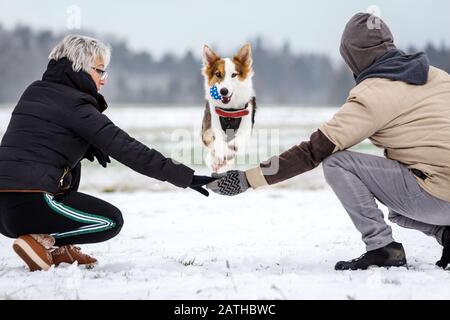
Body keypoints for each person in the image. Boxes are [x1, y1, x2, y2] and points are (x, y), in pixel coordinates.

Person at [208, 12, 450, 271]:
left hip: (438, 196)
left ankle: (382, 248)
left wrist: (247, 179)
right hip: (436, 189)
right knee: (397, 208)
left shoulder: (373, 95)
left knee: (337, 162)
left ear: (352, 56)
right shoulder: (437, 76)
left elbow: (313, 151)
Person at [0, 35, 214, 272]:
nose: (103, 80)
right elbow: (129, 149)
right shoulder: (76, 104)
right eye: (100, 71)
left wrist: (89, 145)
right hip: (32, 202)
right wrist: (186, 177)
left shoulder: (34, 91)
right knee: (110, 221)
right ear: (79, 67)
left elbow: (38, 139)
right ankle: (44, 242)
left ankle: (60, 247)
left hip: (3, 211)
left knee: (74, 163)